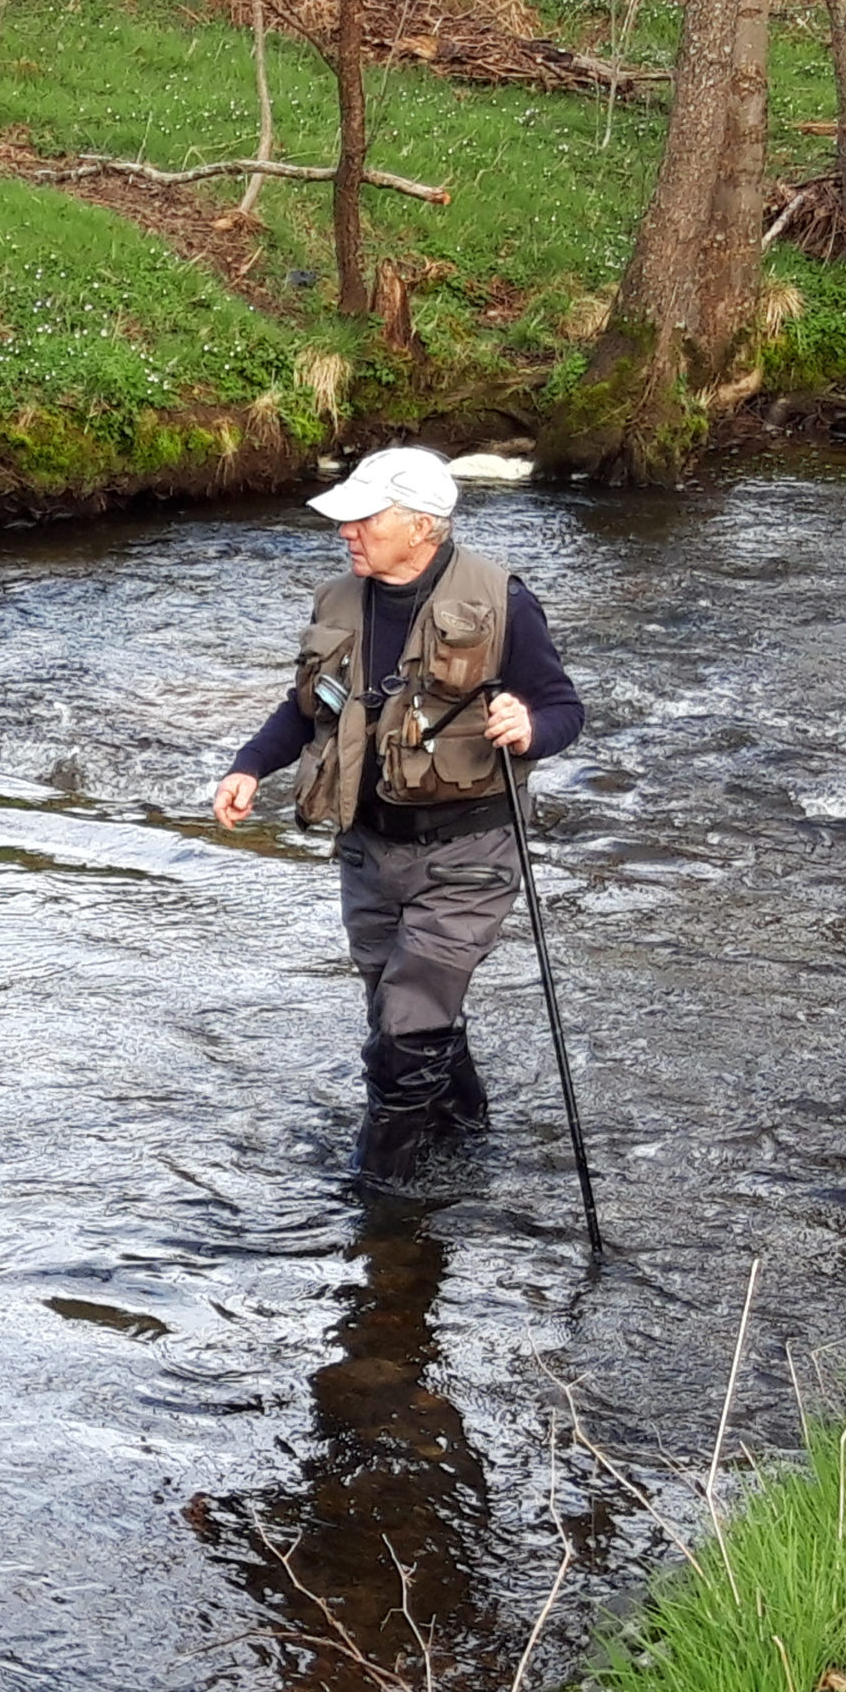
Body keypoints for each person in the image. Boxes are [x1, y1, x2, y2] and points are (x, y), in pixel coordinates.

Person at [212, 446, 584, 1188]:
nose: (346, 531)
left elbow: (563, 709)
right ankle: (467, 1129)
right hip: (369, 852)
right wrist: (249, 765)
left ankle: (380, 1190)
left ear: (424, 527)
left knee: (405, 1024)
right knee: (396, 1008)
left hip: (469, 853)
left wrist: (527, 727)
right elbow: (304, 709)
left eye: (364, 517)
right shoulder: (337, 599)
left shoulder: (503, 601)